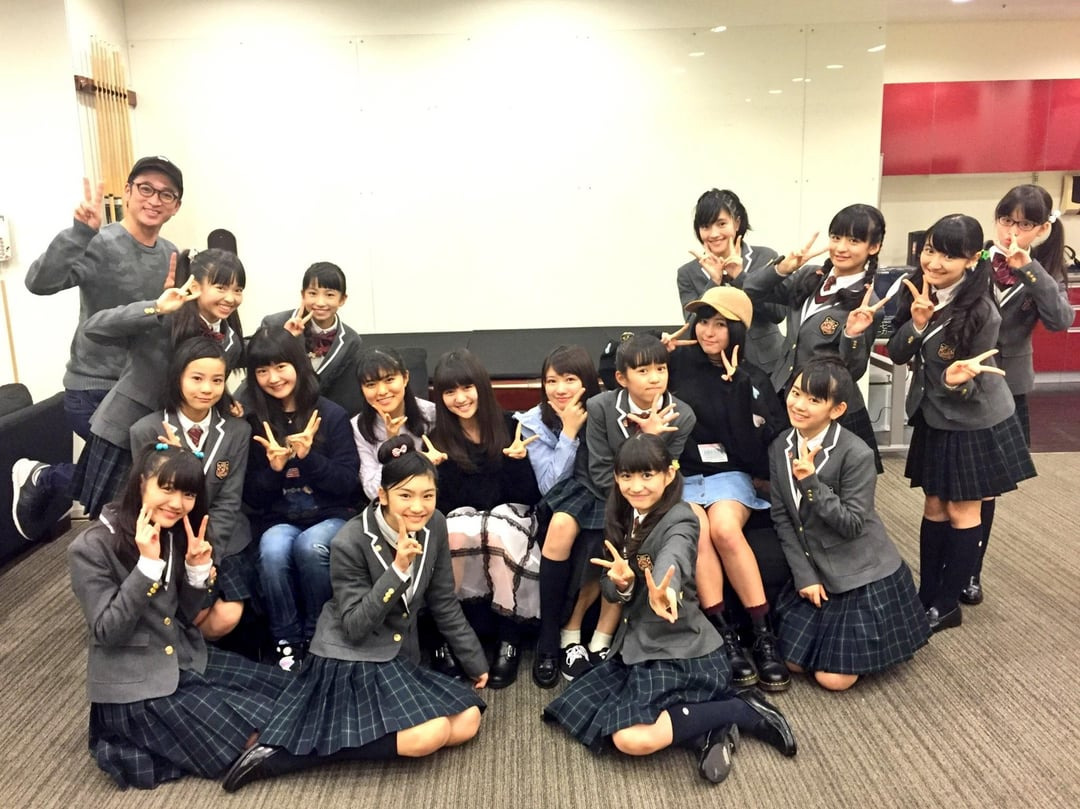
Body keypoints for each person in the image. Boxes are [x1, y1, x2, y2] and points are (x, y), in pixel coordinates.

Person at [221, 437, 487, 792]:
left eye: (428, 495)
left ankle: (327, 741)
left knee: (469, 719)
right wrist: (397, 570)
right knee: (432, 733)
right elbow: (356, 625)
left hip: (394, 655)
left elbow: (442, 600)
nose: (418, 506)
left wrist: (474, 660)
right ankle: (288, 757)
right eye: (405, 495)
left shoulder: (435, 524)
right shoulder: (350, 540)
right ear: (383, 494)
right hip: (349, 655)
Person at [543, 434, 796, 785]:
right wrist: (622, 584)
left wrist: (665, 593)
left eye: (647, 475)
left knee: (630, 739)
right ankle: (707, 732)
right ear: (616, 477)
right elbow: (611, 590)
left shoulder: (682, 518)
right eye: (627, 476)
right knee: (578, 704)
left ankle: (741, 709)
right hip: (636, 644)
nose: (637, 486)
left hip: (680, 649)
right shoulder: (620, 514)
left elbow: (673, 558)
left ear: (668, 474)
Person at [68, 445, 292, 790]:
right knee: (259, 731)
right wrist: (146, 566)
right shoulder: (91, 546)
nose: (177, 503)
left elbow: (182, 616)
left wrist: (196, 574)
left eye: (188, 494)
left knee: (289, 693)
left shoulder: (174, 531)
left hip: (185, 657)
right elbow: (108, 631)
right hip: (137, 689)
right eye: (167, 488)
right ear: (141, 483)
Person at [15, 157, 184, 540]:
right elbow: (39, 283)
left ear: (175, 206)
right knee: (124, 481)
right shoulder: (99, 242)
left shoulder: (171, 253)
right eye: (145, 188)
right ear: (127, 192)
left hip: (143, 387)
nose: (154, 199)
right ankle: (47, 477)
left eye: (166, 194)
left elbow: (166, 320)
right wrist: (79, 233)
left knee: (135, 477)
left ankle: (47, 478)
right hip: (94, 385)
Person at [888, 214, 1036, 632]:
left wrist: (955, 382)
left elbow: (978, 377)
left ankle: (947, 604)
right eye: (930, 250)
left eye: (949, 256)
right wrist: (917, 323)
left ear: (972, 260)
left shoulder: (981, 309)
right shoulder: (916, 289)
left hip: (973, 418)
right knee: (934, 505)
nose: (934, 263)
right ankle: (927, 594)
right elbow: (897, 352)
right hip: (934, 415)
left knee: (961, 508)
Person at [530, 334, 696, 687]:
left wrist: (651, 442)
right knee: (564, 527)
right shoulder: (601, 406)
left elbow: (666, 472)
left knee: (621, 543)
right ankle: (551, 638)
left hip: (646, 496)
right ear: (622, 377)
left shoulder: (683, 415)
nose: (654, 378)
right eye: (643, 370)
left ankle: (602, 639)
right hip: (597, 487)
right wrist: (643, 439)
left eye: (661, 369)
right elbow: (602, 470)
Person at [769, 357, 930, 690]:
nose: (799, 405)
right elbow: (782, 516)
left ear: (837, 409)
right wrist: (805, 575)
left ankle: (877, 646)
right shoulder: (781, 445)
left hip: (860, 572)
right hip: (817, 566)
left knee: (833, 680)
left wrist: (811, 483)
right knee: (792, 662)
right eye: (796, 393)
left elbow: (853, 524)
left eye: (814, 399)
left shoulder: (856, 453)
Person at [664, 286, 791, 691]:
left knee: (724, 529)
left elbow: (756, 450)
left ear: (737, 330)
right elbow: (621, 368)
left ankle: (763, 636)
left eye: (720, 324)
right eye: (703, 321)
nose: (708, 331)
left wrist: (738, 392)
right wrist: (655, 348)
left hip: (729, 474)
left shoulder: (752, 378)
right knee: (697, 531)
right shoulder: (675, 363)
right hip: (682, 475)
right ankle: (726, 637)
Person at [962, 185, 1073, 605]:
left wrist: (1030, 269)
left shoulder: (1043, 272)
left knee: (987, 486)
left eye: (1024, 224)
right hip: (965, 381)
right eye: (1006, 220)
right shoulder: (976, 260)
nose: (1012, 231)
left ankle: (971, 571)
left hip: (1008, 389)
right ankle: (948, 565)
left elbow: (1060, 320)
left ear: (1042, 229)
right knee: (953, 481)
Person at [75, 248, 246, 518]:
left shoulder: (231, 341)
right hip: (128, 427)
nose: (230, 298)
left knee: (170, 515)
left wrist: (227, 401)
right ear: (196, 286)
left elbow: (210, 379)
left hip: (179, 435)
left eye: (238, 290)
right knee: (119, 520)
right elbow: (93, 329)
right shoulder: (163, 319)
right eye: (221, 287)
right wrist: (157, 307)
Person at [242, 327, 361, 669]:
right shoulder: (255, 423)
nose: (273, 378)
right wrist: (275, 469)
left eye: (281, 366)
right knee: (273, 550)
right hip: (279, 519)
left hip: (331, 515)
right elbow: (252, 497)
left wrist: (308, 459)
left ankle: (318, 633)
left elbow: (346, 483)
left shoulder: (331, 415)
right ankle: (286, 640)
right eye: (262, 370)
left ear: (298, 365)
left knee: (310, 547)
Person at [424, 349, 542, 689]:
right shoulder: (437, 440)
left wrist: (517, 463)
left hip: (510, 518)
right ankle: (451, 636)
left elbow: (528, 498)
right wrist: (439, 471)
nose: (460, 398)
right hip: (464, 520)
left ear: (481, 386)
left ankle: (509, 635)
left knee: (496, 531)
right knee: (455, 532)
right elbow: (444, 506)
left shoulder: (511, 426)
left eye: (467, 387)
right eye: (450, 391)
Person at [743, 203, 890, 471]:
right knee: (782, 474)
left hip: (826, 406)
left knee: (826, 480)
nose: (841, 247)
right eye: (836, 237)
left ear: (873, 247)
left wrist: (852, 334)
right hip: (787, 394)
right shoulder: (809, 276)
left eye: (854, 240)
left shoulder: (867, 305)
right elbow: (750, 290)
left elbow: (853, 371)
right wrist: (782, 268)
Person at [129, 337, 252, 640]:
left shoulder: (237, 430)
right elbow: (147, 500)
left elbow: (229, 501)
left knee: (227, 615)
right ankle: (179, 652)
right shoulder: (147, 430)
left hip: (220, 540)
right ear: (178, 378)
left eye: (217, 380)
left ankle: (191, 651)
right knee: (191, 613)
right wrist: (177, 460)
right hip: (169, 539)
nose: (207, 388)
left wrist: (207, 555)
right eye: (197, 378)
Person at [675, 188, 789, 384]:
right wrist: (714, 281)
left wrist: (740, 278)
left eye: (721, 224)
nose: (714, 234)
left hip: (767, 368)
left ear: (737, 223)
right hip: (713, 370)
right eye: (705, 226)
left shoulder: (764, 257)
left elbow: (777, 313)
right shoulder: (688, 272)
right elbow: (691, 326)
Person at [249, 261, 365, 416]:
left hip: (320, 415)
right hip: (273, 412)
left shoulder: (351, 340)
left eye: (330, 295)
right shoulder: (275, 323)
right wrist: (284, 338)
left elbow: (346, 392)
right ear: (303, 295)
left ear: (342, 299)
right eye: (313, 293)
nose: (320, 302)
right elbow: (255, 368)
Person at [351, 345, 436, 502]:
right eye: (371, 384)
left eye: (389, 380)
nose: (382, 391)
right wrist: (391, 447)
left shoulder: (431, 414)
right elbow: (372, 492)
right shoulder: (357, 427)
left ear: (405, 378)